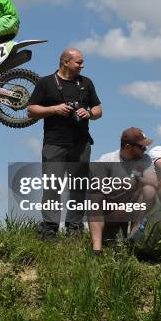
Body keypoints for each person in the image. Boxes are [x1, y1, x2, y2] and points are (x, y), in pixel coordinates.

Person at [28, 47, 102, 237]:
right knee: (52, 186)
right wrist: (54, 109)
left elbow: (98, 109)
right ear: (65, 62)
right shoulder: (46, 83)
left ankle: (74, 227)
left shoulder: (86, 82)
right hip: (55, 143)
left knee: (78, 186)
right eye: (79, 62)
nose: (82, 65)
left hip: (81, 143)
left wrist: (89, 113)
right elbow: (32, 110)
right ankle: (50, 227)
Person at [89, 128, 158, 254]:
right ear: (128, 147)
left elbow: (154, 182)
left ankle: (134, 242)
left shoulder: (145, 159)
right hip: (110, 210)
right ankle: (97, 250)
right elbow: (98, 185)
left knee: (149, 190)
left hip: (132, 207)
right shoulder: (107, 159)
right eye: (142, 147)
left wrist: (136, 178)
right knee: (95, 195)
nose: (145, 149)